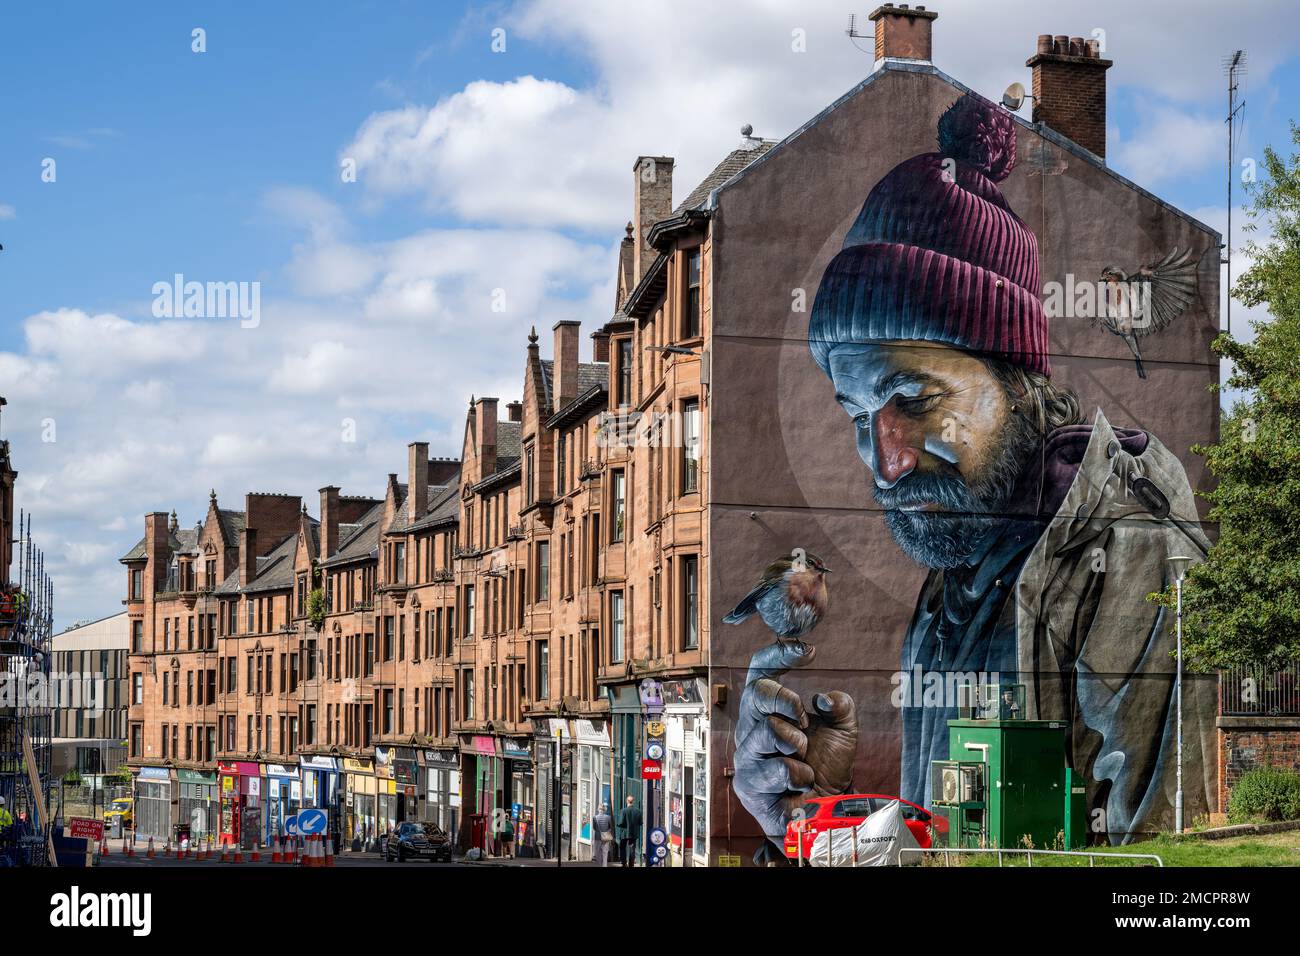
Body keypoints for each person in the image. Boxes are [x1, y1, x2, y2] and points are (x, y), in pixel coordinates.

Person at [732, 90, 1216, 861]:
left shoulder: (1125, 539)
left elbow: (1169, 879)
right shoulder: (960, 569)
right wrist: (807, 819)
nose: (886, 463)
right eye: (858, 417)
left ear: (1018, 378)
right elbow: (947, 843)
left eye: (914, 398)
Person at [615, 796, 642, 867]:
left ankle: (624, 863)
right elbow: (640, 823)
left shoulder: (623, 811)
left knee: (622, 847)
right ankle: (631, 864)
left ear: (627, 801)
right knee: (632, 848)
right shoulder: (638, 811)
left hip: (624, 833)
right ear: (633, 801)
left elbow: (620, 823)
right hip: (633, 833)